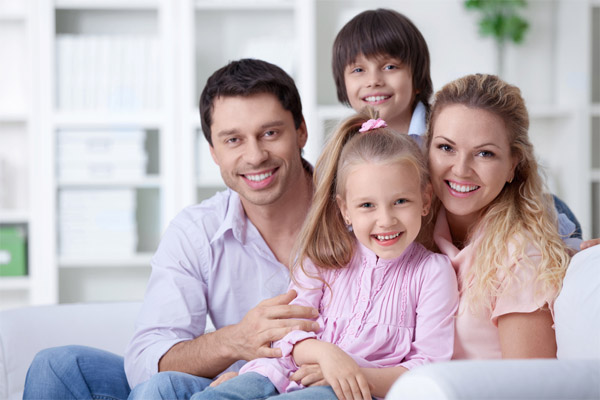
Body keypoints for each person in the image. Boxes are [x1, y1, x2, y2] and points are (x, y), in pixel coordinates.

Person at [23, 59, 320, 400]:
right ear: (213, 151)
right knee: (56, 366)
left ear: (301, 131)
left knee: (160, 390)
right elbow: (146, 358)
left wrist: (251, 373)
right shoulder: (197, 230)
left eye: (270, 133)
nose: (254, 156)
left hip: (314, 380)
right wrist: (235, 341)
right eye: (233, 140)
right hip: (221, 386)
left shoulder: (360, 208)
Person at [189, 110, 459, 400]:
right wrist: (326, 355)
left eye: (401, 201)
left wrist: (347, 372)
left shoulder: (433, 272)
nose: (386, 220)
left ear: (425, 200)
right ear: (345, 210)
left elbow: (428, 368)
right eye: (367, 205)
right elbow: (287, 333)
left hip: (348, 393)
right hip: (279, 372)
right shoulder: (322, 258)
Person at [331, 7, 584, 243]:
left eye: (389, 67)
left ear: (417, 78)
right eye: (358, 70)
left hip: (514, 214)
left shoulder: (443, 126)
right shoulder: (345, 145)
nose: (374, 80)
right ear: (342, 83)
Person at [425, 73, 571, 359]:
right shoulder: (408, 229)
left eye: (485, 154)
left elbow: (528, 385)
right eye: (446, 147)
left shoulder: (522, 255)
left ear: (512, 166)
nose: (461, 169)